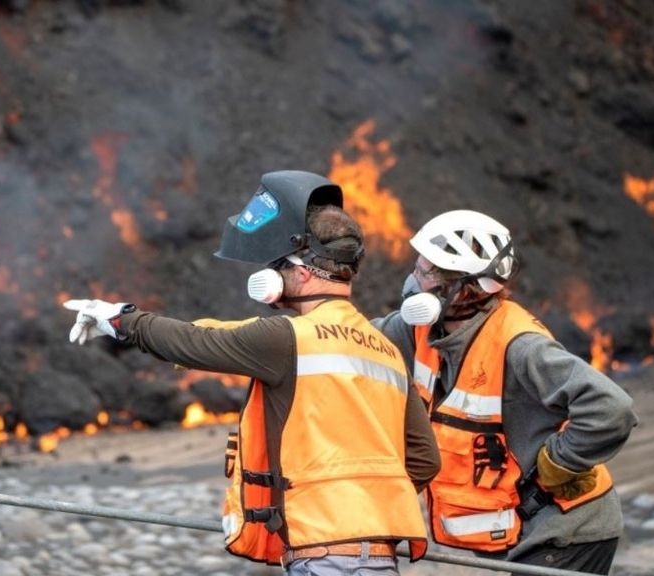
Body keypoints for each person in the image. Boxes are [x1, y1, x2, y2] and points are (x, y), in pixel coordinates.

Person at [64, 170, 439, 575]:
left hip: (325, 550)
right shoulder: (385, 351)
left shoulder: (286, 337)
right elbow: (423, 459)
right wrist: (365, 500)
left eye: (278, 265)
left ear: (303, 270)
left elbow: (191, 344)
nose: (272, 274)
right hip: (380, 553)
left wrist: (120, 319)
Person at [375, 209, 638, 575]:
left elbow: (612, 408)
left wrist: (557, 463)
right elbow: (362, 345)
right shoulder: (420, 331)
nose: (412, 280)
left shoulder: (520, 347)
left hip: (566, 534)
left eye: (426, 272)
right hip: (517, 534)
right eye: (418, 267)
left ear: (463, 287)